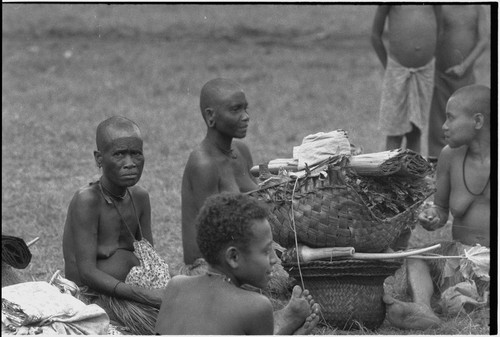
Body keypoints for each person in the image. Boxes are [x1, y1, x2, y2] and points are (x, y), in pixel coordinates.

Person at [180, 78, 315, 334]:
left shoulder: (240, 151)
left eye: (246, 108)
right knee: (265, 301)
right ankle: (278, 320)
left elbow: (257, 204)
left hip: (247, 253)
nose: (246, 117)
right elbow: (209, 237)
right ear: (211, 116)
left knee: (308, 279)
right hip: (213, 263)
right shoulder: (203, 164)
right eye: (236, 110)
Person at [383, 84, 490, 330]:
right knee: (416, 257)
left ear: (477, 121)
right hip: (459, 257)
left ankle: (476, 299)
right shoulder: (449, 156)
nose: (443, 126)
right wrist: (432, 216)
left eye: (450, 118)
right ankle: (424, 309)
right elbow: (441, 211)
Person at [63, 116, 171, 335]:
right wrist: (142, 296)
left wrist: (159, 290)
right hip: (96, 297)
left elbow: (150, 257)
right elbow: (86, 273)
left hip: (136, 291)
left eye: (136, 154)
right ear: (99, 158)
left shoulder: (140, 197)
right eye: (119, 154)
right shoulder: (87, 201)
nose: (130, 163)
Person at [155, 192, 320, 335]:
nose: (274, 259)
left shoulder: (176, 285)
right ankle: (283, 324)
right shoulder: (256, 306)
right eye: (266, 251)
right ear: (233, 257)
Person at [371, 5, 441, 153]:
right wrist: (388, 66)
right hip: (397, 71)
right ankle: (390, 172)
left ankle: (413, 173)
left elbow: (440, 31)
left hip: (425, 71)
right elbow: (375, 36)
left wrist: (428, 56)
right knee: (395, 130)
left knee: (416, 129)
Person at [428, 5, 489, 158]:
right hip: (441, 76)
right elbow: (434, 35)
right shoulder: (441, 6)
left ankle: (464, 162)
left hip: (465, 78)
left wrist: (464, 65)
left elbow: (484, 40)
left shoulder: (477, 8)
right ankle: (436, 163)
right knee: (438, 123)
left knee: (465, 120)